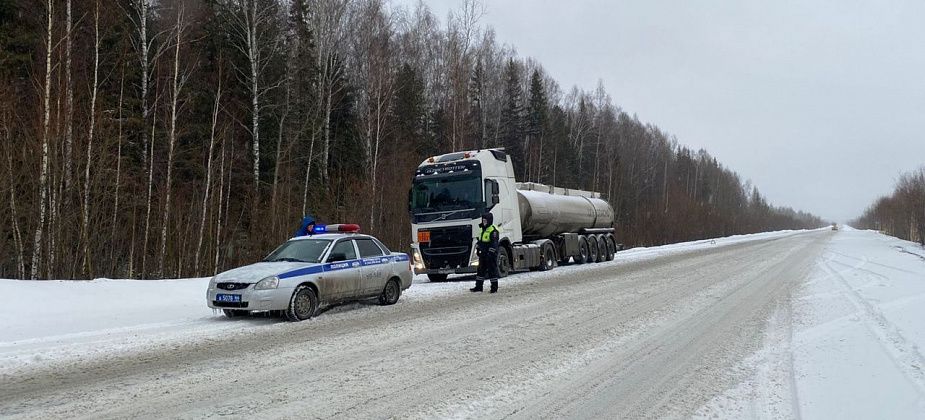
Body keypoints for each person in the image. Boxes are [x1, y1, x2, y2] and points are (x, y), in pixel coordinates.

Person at [471, 212, 501, 293]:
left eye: (485, 221)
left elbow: (494, 243)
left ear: (489, 221)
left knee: (492, 270)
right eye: (483, 220)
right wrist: (478, 249)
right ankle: (478, 287)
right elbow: (480, 241)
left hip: (491, 253)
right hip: (483, 253)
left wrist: (490, 253)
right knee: (480, 270)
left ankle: (494, 288)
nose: (484, 222)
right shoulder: (482, 229)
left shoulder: (493, 230)